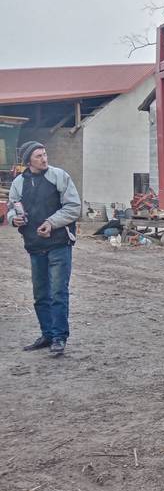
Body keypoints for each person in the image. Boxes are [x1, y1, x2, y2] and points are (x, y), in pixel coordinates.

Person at [5, 141, 81, 356]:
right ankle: (47, 334)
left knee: (58, 292)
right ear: (28, 160)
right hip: (34, 245)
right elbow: (12, 208)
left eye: (45, 154)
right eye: (38, 156)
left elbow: (73, 207)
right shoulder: (19, 183)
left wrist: (51, 222)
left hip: (59, 243)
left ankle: (59, 337)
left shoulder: (59, 176)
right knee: (40, 294)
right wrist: (14, 220)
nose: (44, 159)